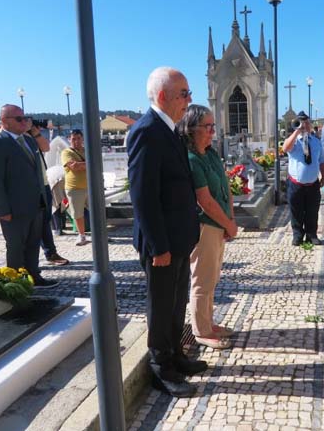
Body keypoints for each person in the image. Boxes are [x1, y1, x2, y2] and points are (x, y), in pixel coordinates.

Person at [127, 67, 205, 398]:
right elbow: (143, 194)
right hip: (161, 244)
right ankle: (161, 368)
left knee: (176, 303)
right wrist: (158, 246)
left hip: (178, 239)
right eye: (184, 94)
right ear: (163, 97)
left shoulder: (169, 129)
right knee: (160, 307)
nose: (189, 100)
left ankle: (175, 355)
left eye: (188, 93)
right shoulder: (147, 131)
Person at [177, 104, 237, 350]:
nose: (212, 131)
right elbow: (206, 200)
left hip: (220, 224)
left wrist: (230, 221)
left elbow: (224, 188)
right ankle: (201, 330)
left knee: (213, 277)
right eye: (208, 126)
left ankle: (209, 322)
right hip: (204, 226)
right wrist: (227, 224)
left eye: (214, 126)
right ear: (192, 129)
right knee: (202, 278)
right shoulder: (191, 159)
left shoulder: (210, 153)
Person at [0, 104, 58, 287]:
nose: (24, 122)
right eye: (19, 119)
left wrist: (43, 200)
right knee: (16, 247)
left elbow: (38, 173)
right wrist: (2, 209)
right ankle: (15, 282)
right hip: (14, 208)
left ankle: (34, 275)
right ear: (4, 122)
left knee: (33, 244)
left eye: (25, 118)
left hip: (35, 205)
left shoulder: (29, 141)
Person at [25, 119, 69, 266]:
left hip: (43, 184)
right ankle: (31, 261)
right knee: (33, 224)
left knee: (45, 220)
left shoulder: (31, 138)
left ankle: (50, 252)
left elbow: (46, 148)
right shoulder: (19, 140)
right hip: (31, 186)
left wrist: (36, 134)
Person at [283, 111, 324, 246]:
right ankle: (297, 235)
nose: (305, 126)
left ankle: (311, 234)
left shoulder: (316, 142)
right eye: (302, 123)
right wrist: (296, 132)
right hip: (296, 185)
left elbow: (322, 161)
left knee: (312, 210)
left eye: (307, 123)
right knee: (296, 211)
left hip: (312, 184)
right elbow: (285, 148)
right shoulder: (294, 141)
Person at [61, 130, 90, 246]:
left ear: (82, 139)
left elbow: (97, 163)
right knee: (77, 213)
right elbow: (74, 167)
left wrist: (80, 164)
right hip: (74, 187)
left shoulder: (87, 150)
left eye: (78, 138)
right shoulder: (66, 152)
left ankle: (99, 233)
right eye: (74, 139)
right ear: (69, 139)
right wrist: (88, 164)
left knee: (97, 211)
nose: (76, 141)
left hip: (90, 187)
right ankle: (81, 235)